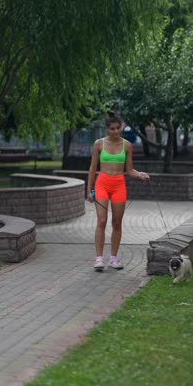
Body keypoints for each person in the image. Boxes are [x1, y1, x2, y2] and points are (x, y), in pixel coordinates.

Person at [87, 110, 150, 271]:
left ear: (121, 127)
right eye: (112, 128)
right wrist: (88, 191)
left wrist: (140, 174)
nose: (115, 131)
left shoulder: (127, 146)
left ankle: (113, 259)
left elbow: (129, 170)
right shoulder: (98, 144)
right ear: (106, 129)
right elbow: (93, 169)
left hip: (118, 185)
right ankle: (99, 258)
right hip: (102, 183)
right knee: (101, 220)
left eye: (117, 128)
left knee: (117, 222)